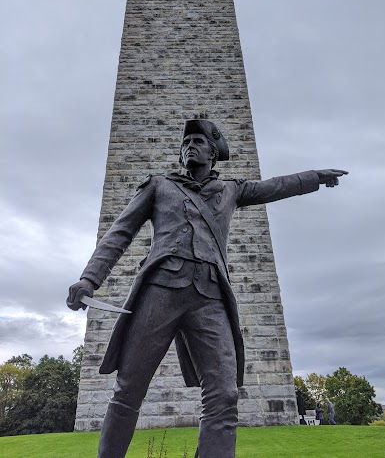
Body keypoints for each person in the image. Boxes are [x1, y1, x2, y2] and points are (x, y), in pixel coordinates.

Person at [67, 119, 348, 458]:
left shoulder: (231, 190)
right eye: (186, 143)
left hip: (210, 298)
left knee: (224, 394)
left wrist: (314, 177)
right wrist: (89, 278)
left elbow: (274, 186)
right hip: (161, 290)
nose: (190, 146)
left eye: (198, 141)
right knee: (128, 388)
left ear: (213, 153)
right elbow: (120, 232)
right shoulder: (159, 186)